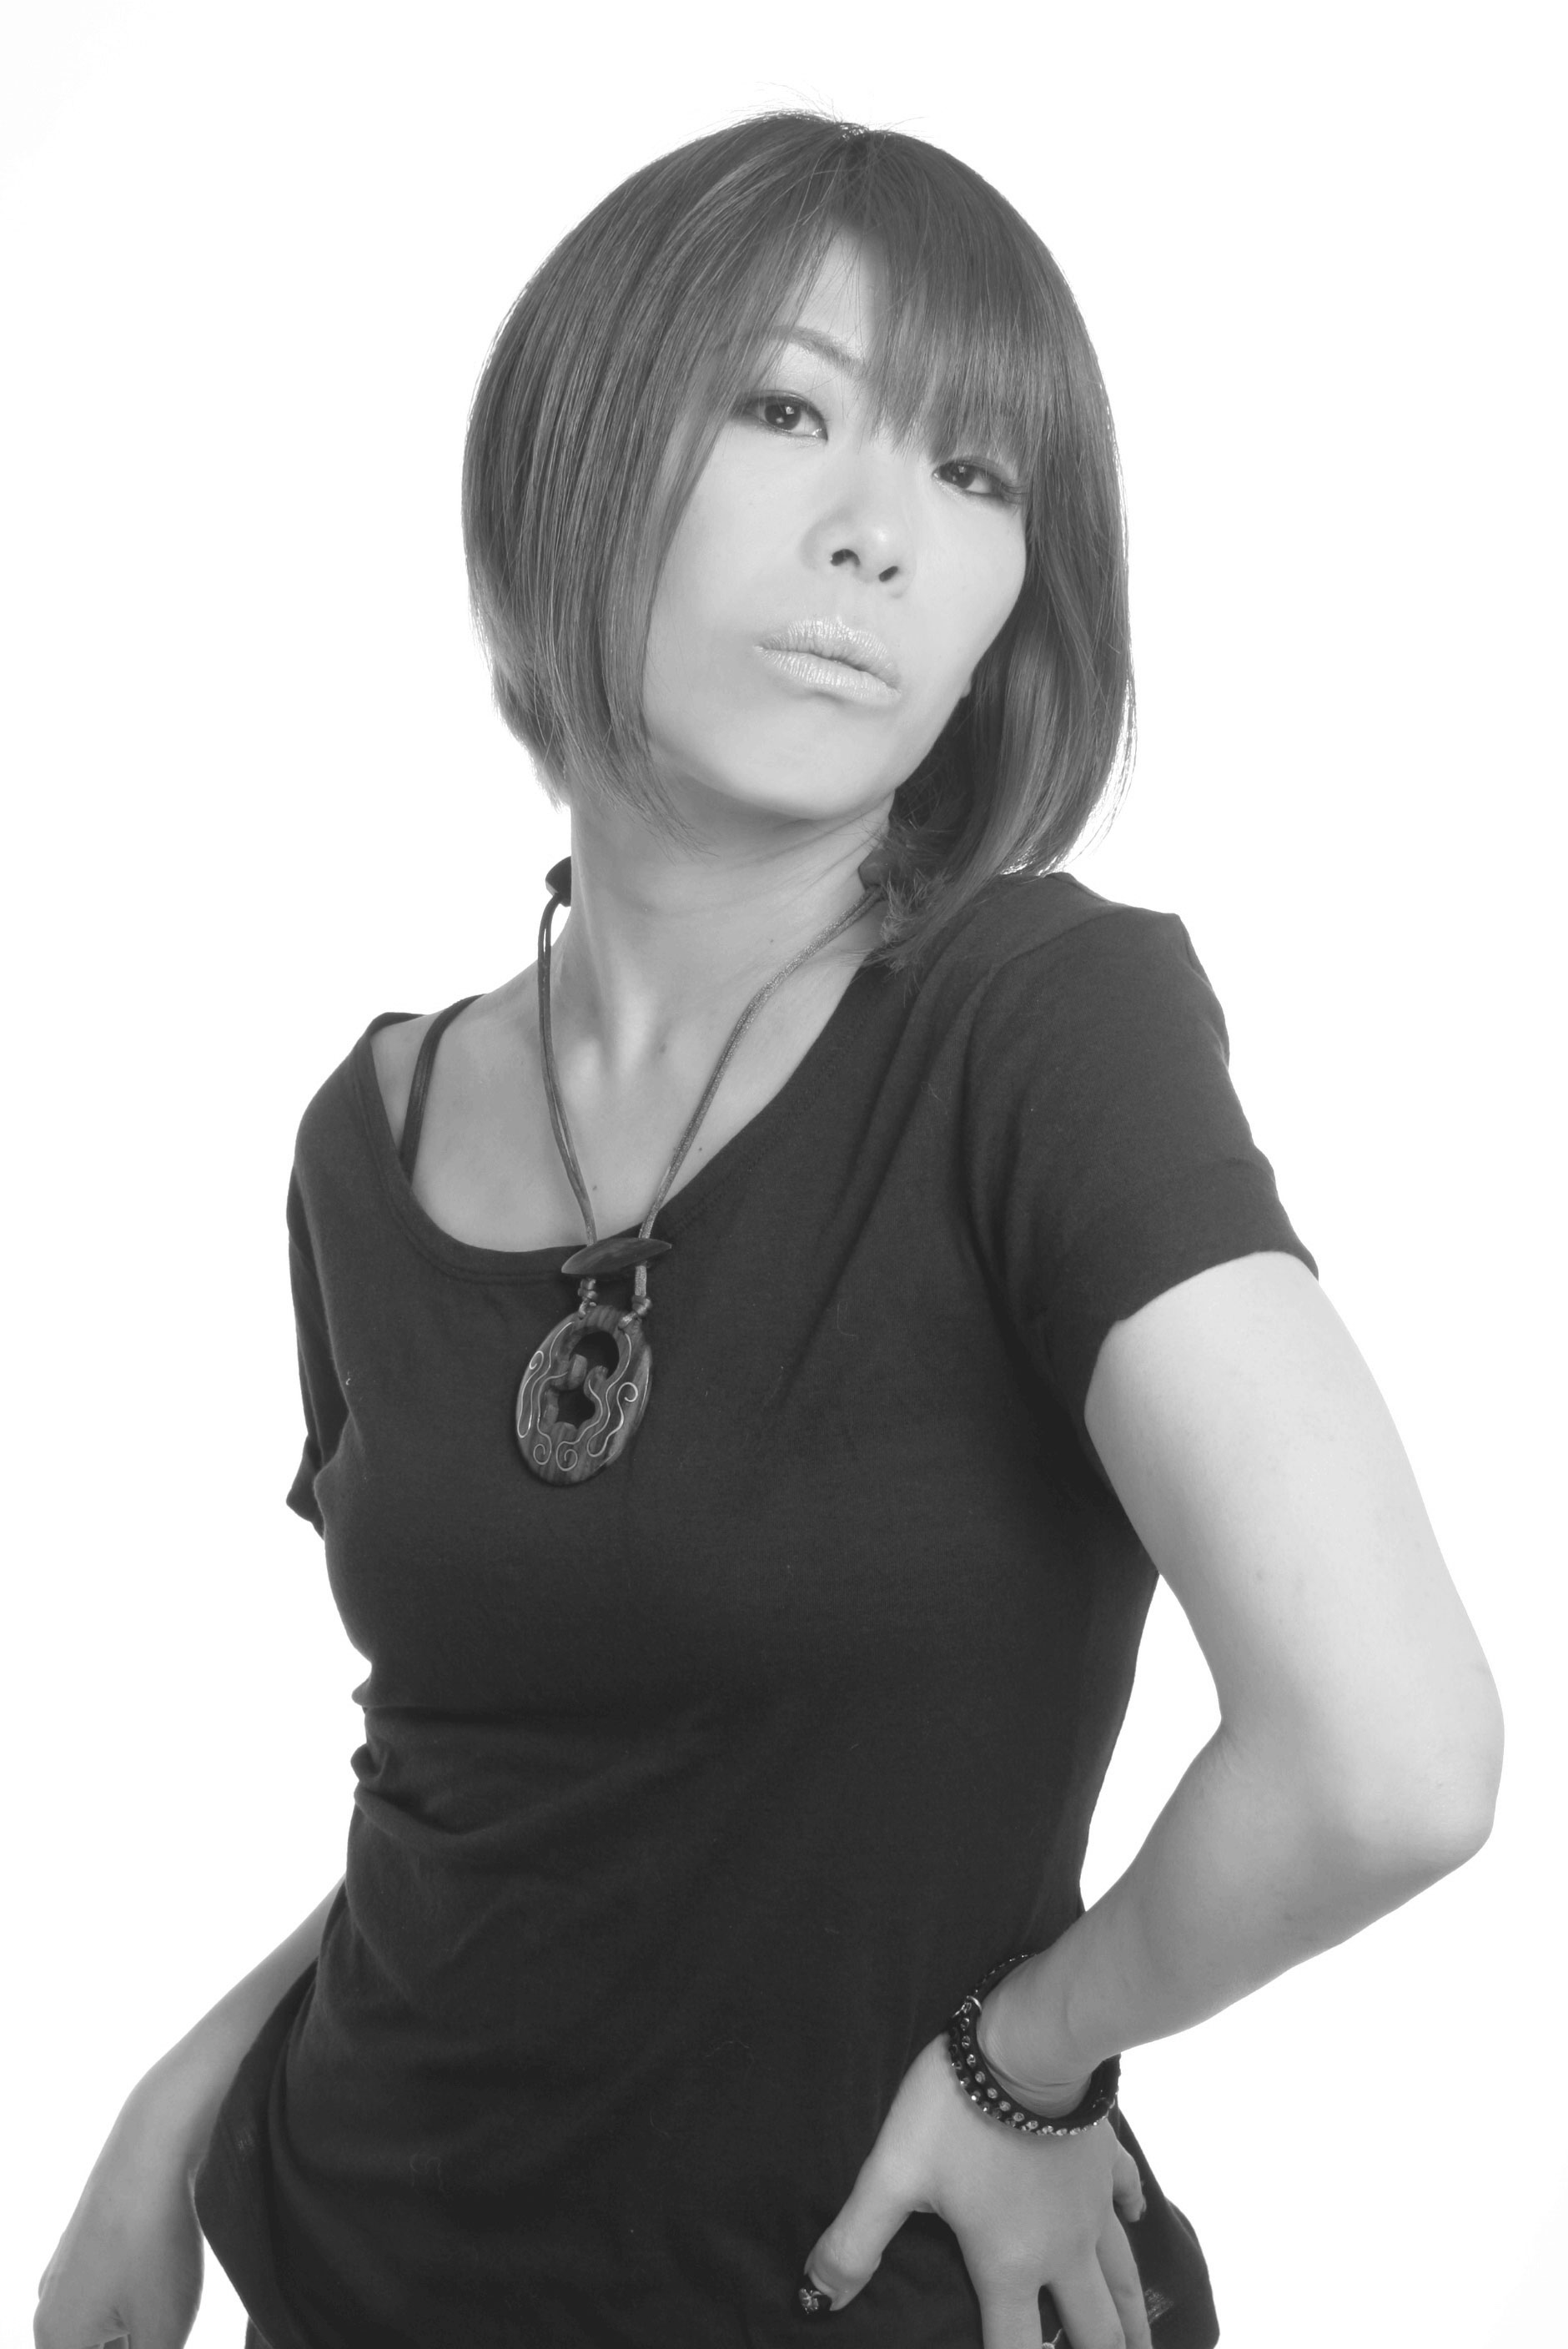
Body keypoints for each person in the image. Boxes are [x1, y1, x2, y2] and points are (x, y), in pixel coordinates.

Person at [34, 113, 1503, 2349]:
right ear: (578, 454)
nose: (878, 534)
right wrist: (170, 2108)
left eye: (977, 474)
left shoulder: (1040, 1024)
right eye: (788, 411)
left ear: (1018, 601)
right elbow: (497, 1784)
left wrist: (1033, 2055)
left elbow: (1393, 1757)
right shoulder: (370, 1129)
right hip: (337, 2265)